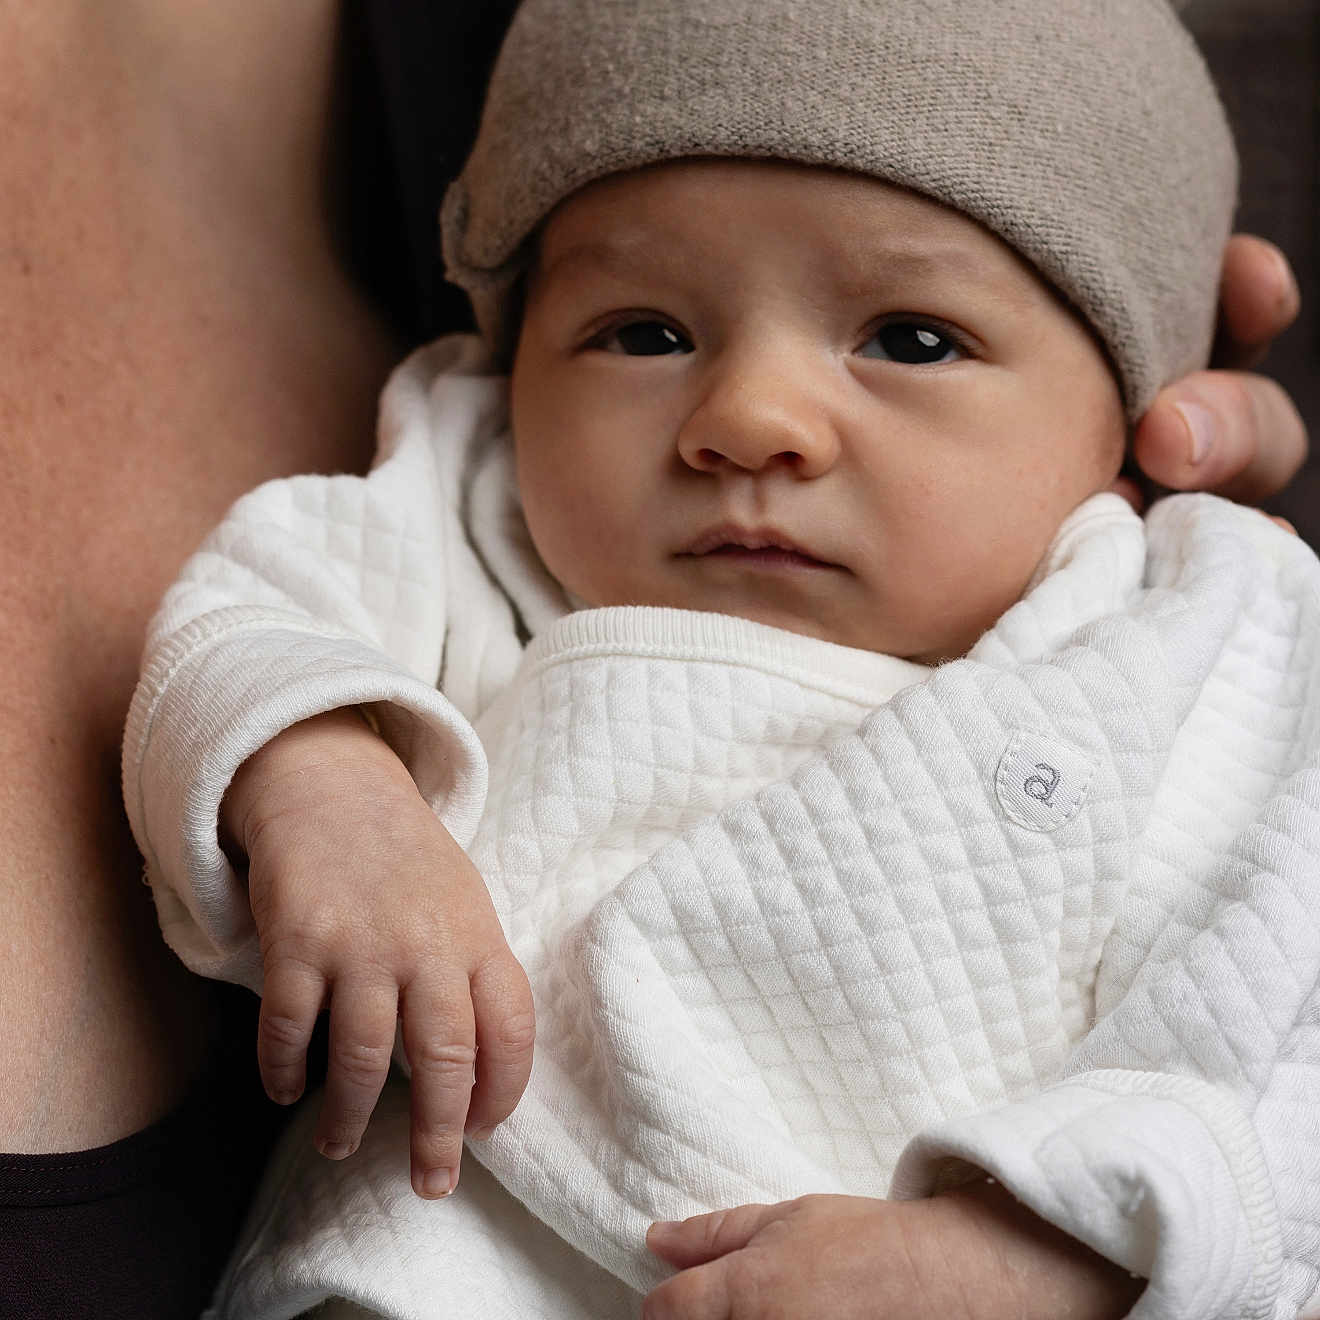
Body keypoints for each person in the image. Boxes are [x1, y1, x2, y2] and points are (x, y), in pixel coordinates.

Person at [0, 1, 1307, 1319]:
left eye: (911, 338)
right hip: (440, 1267)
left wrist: (1039, 1259)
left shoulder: (1207, 630)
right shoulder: (481, 502)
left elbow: (1281, 1031)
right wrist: (330, 791)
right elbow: (248, 616)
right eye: (644, 332)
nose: (749, 419)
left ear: (1138, 416)